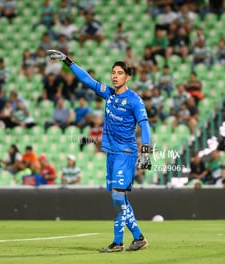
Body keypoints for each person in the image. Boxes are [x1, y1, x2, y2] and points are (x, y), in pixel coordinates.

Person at [47, 49, 151, 252]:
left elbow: (145, 126)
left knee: (117, 197)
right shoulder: (108, 94)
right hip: (111, 154)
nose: (115, 76)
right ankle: (138, 238)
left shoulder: (134, 100)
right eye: (113, 72)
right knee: (120, 198)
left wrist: (145, 153)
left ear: (127, 76)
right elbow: (87, 80)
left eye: (119, 73)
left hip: (126, 153)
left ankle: (118, 242)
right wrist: (68, 61)